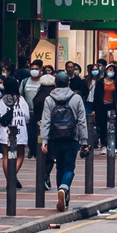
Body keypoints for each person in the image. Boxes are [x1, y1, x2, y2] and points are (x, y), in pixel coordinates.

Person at [37, 74, 88, 211]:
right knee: (69, 168)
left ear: (55, 84)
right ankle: (64, 188)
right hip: (72, 138)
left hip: (54, 138)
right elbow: (82, 121)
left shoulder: (49, 99)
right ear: (69, 83)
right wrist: (84, 142)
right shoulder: (76, 98)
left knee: (59, 166)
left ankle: (62, 195)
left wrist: (44, 141)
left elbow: (46, 120)